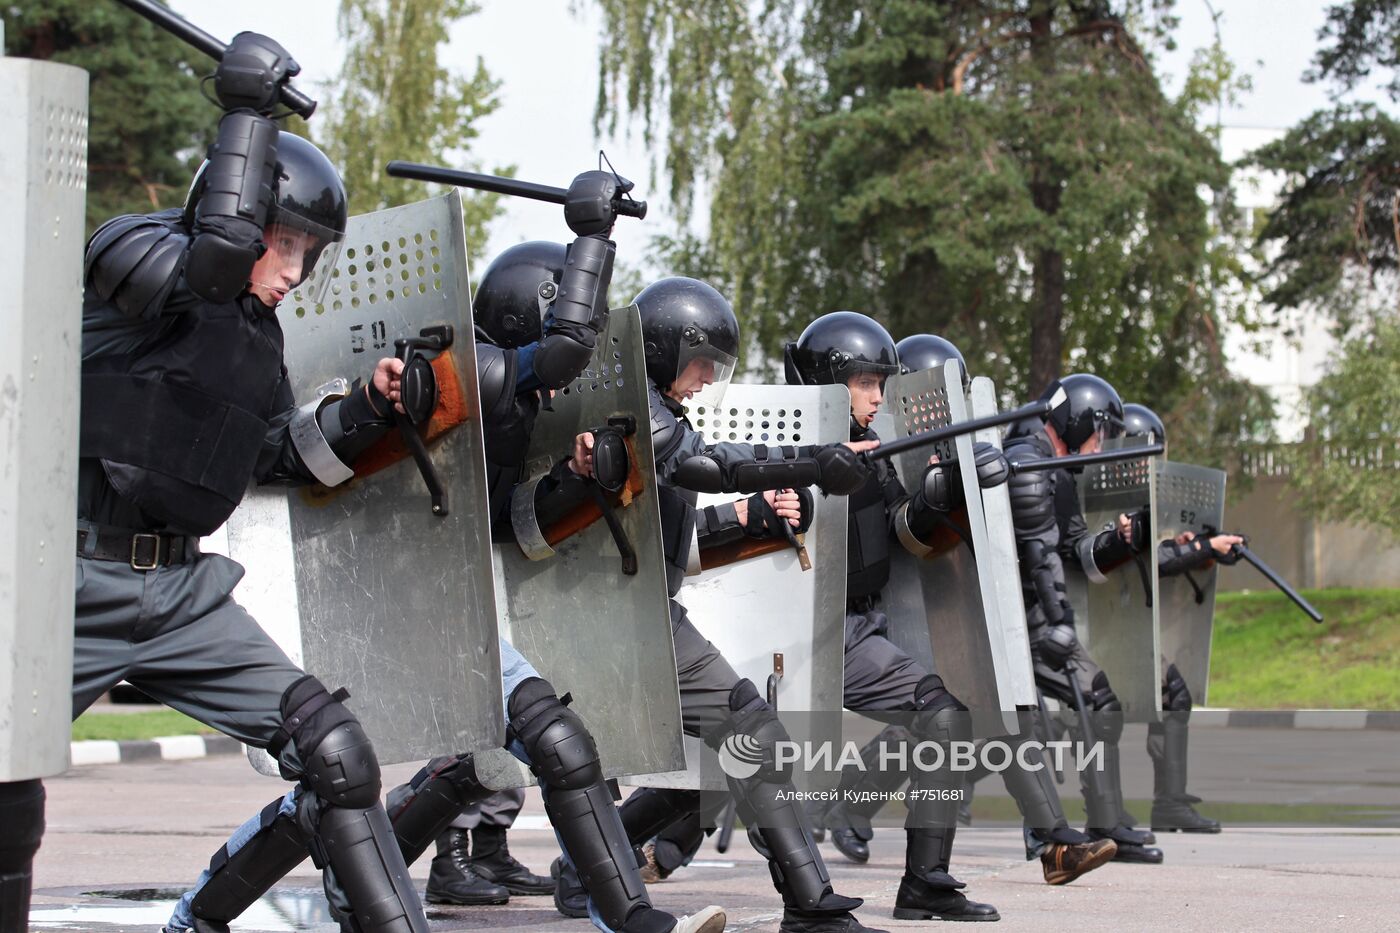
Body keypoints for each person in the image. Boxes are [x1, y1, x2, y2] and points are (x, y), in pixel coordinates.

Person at [75, 31, 431, 933]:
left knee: (340, 755)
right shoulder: (135, 257)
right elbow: (201, 264)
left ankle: (201, 918)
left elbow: (278, 457)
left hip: (185, 593)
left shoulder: (257, 342)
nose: (292, 272)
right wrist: (245, 110)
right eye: (283, 243)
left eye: (311, 255)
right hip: (64, 580)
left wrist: (369, 413)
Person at [559, 278, 889, 933]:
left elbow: (683, 541)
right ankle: (364, 870)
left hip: (651, 618)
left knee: (753, 728)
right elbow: (710, 466)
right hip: (583, 622)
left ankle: (810, 907)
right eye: (699, 359)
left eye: (716, 363)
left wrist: (760, 514)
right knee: (479, 765)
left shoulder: (665, 416)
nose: (709, 377)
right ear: (658, 352)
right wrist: (812, 463)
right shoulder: (629, 413)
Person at [808, 333, 1117, 887]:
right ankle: (646, 846)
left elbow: (907, 527)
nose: (877, 397)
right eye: (867, 384)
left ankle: (1039, 845)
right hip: (839, 628)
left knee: (983, 717)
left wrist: (945, 489)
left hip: (907, 614)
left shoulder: (882, 449)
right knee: (728, 752)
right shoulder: (819, 449)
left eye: (882, 384)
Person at [1001, 374, 1164, 864]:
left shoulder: (1060, 471)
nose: (1102, 444)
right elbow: (1038, 551)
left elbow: (1073, 550)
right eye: (1101, 431)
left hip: (1034, 615)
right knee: (966, 729)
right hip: (1016, 618)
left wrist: (1125, 539)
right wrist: (1059, 622)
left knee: (1095, 703)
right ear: (1078, 423)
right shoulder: (1027, 461)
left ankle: (1102, 823)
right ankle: (848, 805)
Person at [1122, 402, 1234, 834]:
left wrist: (1201, 546)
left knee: (1172, 695)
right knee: (1050, 724)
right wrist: (1202, 549)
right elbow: (1152, 559)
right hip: (1090, 625)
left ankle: (1168, 804)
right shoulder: (1104, 498)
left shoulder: (1136, 499)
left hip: (1124, 626)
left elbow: (1161, 552)